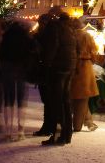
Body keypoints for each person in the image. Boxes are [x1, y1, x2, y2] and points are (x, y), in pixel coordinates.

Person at [41, 11, 78, 146]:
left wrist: (46, 64)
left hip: (58, 69)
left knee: (57, 102)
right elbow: (76, 50)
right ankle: (67, 134)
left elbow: (52, 48)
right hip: (69, 69)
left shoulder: (55, 28)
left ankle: (58, 136)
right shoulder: (71, 30)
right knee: (66, 102)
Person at [0, 20, 33, 141]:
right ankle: (20, 130)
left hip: (7, 68)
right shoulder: (26, 37)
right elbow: (30, 54)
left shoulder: (6, 37)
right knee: (21, 99)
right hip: (21, 70)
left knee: (8, 99)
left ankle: (8, 132)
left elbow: (1, 55)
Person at [70, 18, 99, 132]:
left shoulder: (71, 35)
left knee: (74, 98)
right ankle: (83, 124)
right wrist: (92, 59)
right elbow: (94, 50)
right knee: (82, 99)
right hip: (86, 68)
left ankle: (83, 124)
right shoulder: (87, 36)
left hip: (74, 67)